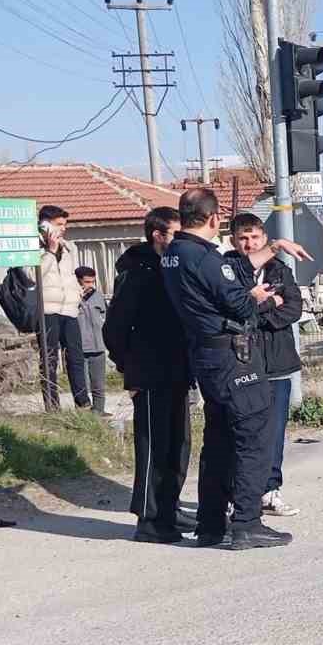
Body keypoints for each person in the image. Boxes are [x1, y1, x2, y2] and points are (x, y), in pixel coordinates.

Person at [162, 188, 290, 550]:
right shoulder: (206, 258)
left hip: (206, 356)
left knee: (217, 442)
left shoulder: (173, 253)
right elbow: (239, 305)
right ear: (215, 219)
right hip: (232, 357)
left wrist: (272, 249)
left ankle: (211, 523)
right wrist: (262, 299)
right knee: (253, 438)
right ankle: (248, 522)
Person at [105, 207, 195, 544]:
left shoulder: (169, 268)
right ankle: (149, 518)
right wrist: (129, 367)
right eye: (175, 233)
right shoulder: (138, 271)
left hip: (176, 371)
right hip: (150, 373)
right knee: (154, 447)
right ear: (158, 235)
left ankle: (168, 509)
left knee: (179, 445)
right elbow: (114, 328)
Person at [227, 213, 304, 518]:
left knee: (274, 432)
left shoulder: (279, 270)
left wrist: (256, 314)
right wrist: (270, 304)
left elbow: (294, 309)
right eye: (243, 238)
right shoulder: (229, 271)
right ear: (234, 240)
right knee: (242, 434)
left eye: (255, 238)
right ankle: (239, 494)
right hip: (241, 366)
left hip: (277, 365)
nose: (249, 244)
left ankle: (270, 491)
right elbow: (232, 313)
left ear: (263, 238)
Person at [37, 205, 90, 411]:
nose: (63, 229)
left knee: (76, 356)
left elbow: (70, 276)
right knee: (49, 359)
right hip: (47, 310)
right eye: (59, 225)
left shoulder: (68, 247)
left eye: (64, 225)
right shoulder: (36, 246)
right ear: (45, 225)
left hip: (69, 309)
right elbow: (35, 276)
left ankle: (82, 402)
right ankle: (52, 405)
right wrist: (50, 252)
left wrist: (77, 293)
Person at [74, 266, 109, 415]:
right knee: (81, 384)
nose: (90, 285)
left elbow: (106, 317)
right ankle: (82, 413)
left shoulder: (98, 297)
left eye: (92, 282)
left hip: (98, 346)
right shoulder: (72, 298)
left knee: (98, 383)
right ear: (78, 281)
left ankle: (99, 411)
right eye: (86, 282)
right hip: (78, 347)